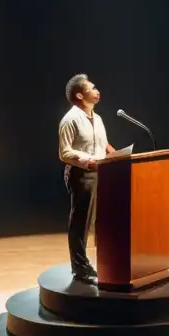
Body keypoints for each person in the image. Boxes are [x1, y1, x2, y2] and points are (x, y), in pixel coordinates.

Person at [58, 74, 115, 284]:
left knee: (100, 221)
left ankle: (103, 263)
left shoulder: (97, 118)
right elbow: (64, 152)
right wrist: (88, 161)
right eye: (92, 88)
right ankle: (80, 269)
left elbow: (103, 144)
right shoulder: (70, 120)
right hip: (82, 174)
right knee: (81, 223)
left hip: (103, 174)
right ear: (80, 95)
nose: (97, 90)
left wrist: (116, 154)